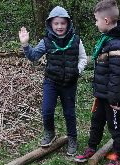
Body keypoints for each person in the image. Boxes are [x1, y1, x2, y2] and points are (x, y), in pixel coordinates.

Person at [74, 0, 120, 165]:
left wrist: (114, 100)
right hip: (103, 93)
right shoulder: (108, 40)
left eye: (96, 20)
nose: (95, 23)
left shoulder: (118, 45)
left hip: (113, 97)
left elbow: (117, 76)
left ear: (106, 21)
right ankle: (91, 148)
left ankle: (117, 155)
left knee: (115, 125)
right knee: (96, 121)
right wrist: (99, 93)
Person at [18, 6, 87, 155]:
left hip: (69, 83)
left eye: (63, 23)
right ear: (51, 24)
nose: (60, 26)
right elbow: (33, 56)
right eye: (56, 23)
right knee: (47, 110)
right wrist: (25, 44)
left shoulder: (76, 40)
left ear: (68, 23)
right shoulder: (47, 41)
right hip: (51, 82)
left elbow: (83, 59)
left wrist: (77, 71)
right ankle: (50, 133)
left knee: (69, 113)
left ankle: (72, 138)